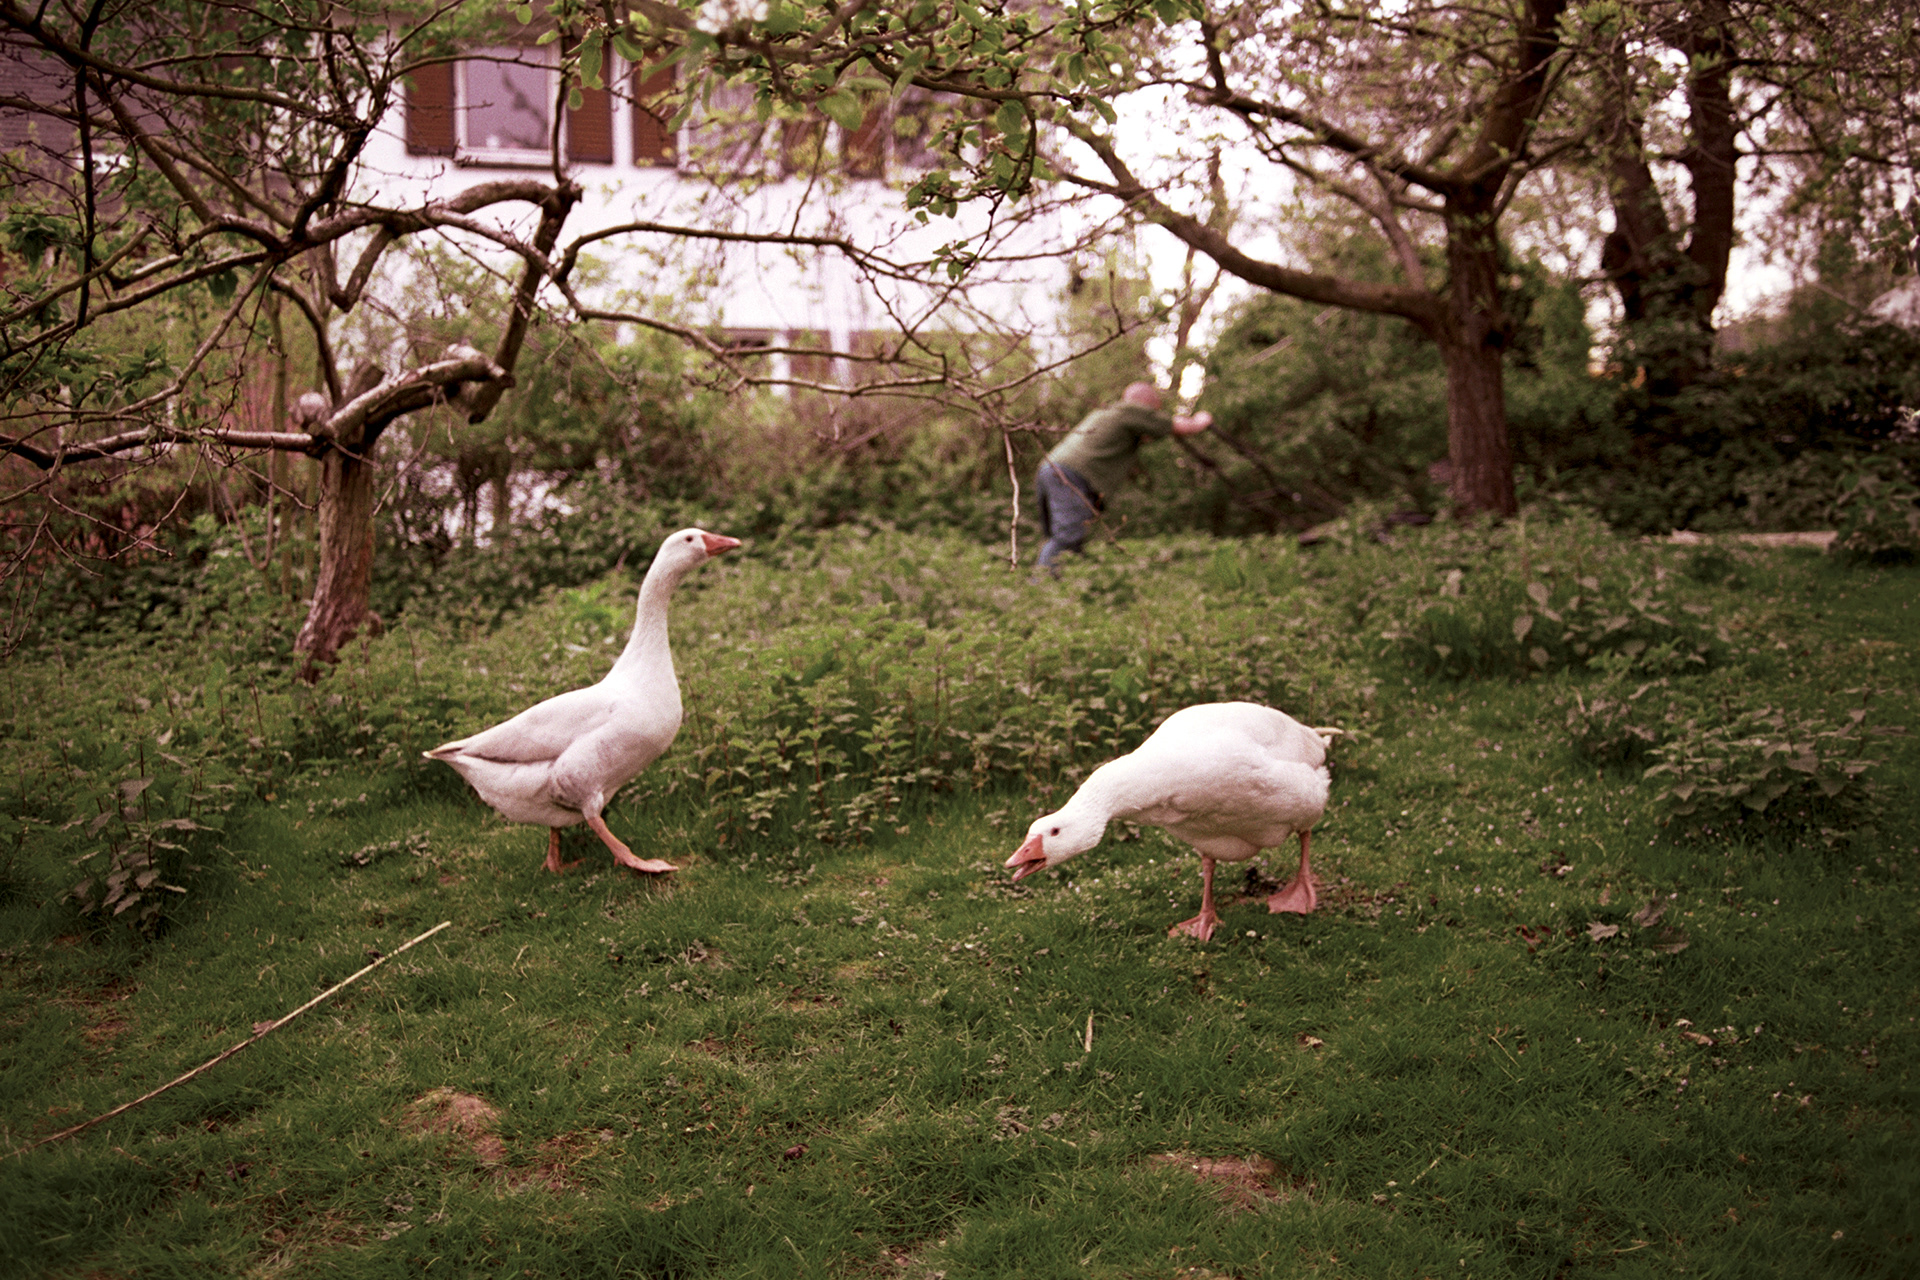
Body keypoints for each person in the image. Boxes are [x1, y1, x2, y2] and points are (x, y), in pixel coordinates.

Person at [1034, 381, 1212, 574]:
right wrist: (1202, 420)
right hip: (1070, 475)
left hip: (1049, 469)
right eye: (1154, 410)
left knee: (1063, 539)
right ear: (1147, 404)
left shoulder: (1110, 413)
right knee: (1066, 538)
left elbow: (1147, 436)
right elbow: (1178, 426)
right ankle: (1040, 587)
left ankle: (1064, 584)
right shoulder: (1132, 410)